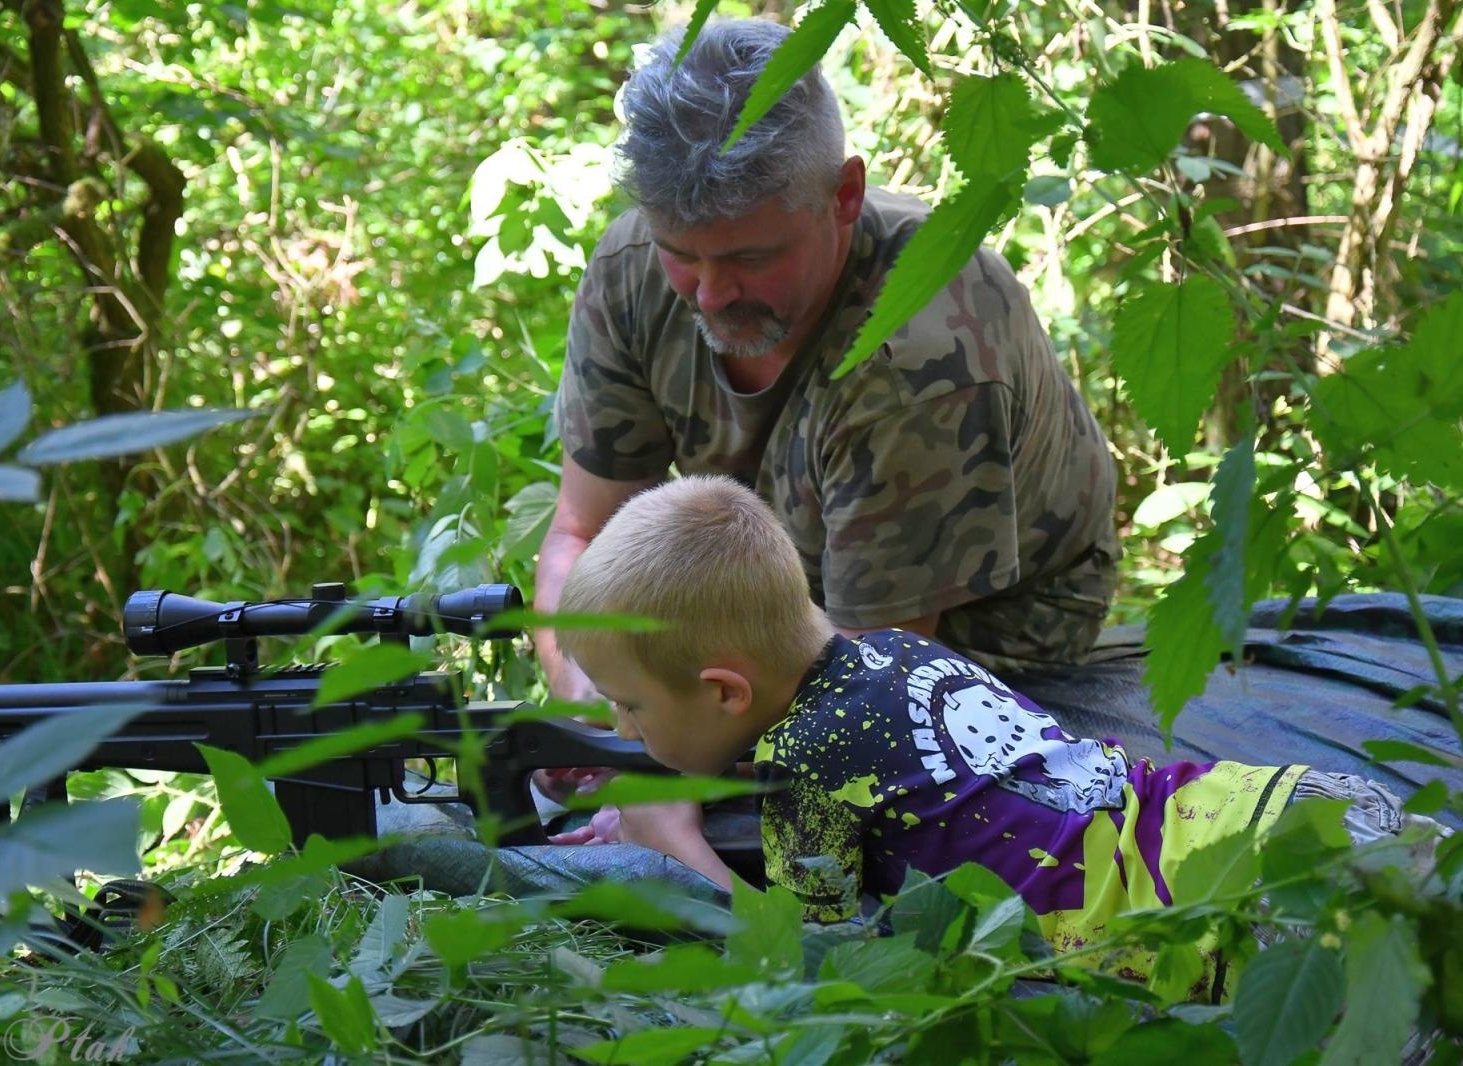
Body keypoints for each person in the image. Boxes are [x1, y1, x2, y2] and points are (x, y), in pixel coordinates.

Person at [549, 475, 1446, 998]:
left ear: (722, 691)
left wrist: (672, 840)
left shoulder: (804, 769)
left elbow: (802, 958)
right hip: (1255, 810)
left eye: (628, 707)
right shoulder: (895, 652)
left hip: (1193, 920)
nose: (623, 726)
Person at [535, 17, 1120, 722]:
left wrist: (664, 757)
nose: (710, 293)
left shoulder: (925, 351)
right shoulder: (633, 273)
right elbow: (583, 531)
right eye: (681, 254)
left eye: (750, 258)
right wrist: (591, 700)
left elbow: (879, 680)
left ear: (844, 196)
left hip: (980, 634)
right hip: (773, 605)